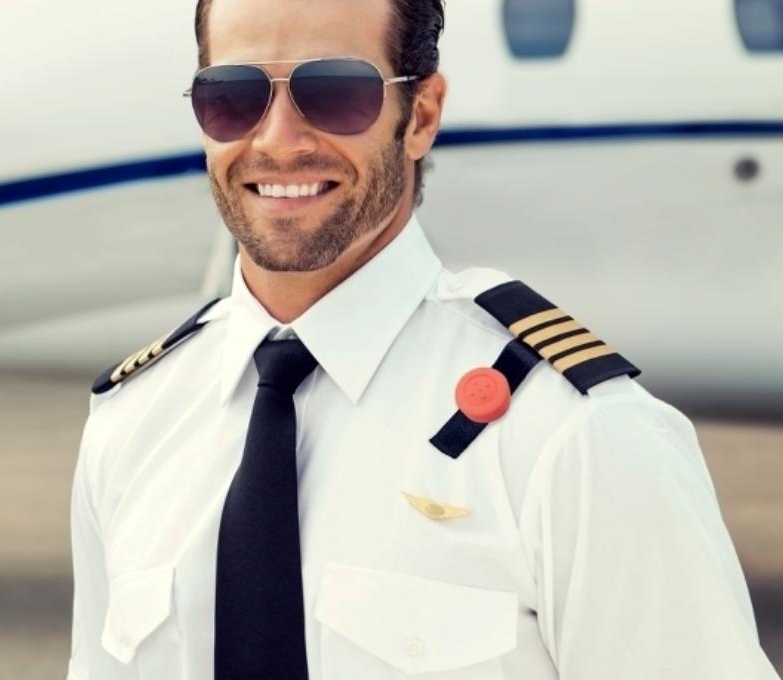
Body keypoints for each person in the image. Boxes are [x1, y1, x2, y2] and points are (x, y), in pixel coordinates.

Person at [64, 0, 781, 678]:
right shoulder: (132, 426)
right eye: (233, 96)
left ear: (422, 116)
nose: (278, 140)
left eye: (336, 92)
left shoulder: (576, 438)